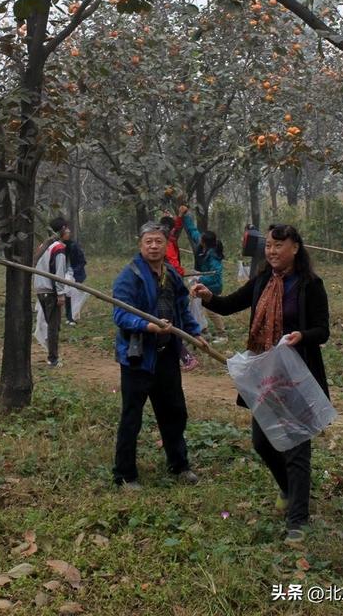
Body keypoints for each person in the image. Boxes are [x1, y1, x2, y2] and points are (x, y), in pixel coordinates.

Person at [196, 223, 330, 546]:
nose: (271, 251)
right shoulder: (262, 281)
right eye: (268, 246)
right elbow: (230, 305)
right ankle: (289, 489)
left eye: (278, 246)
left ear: (295, 248)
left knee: (297, 445)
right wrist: (208, 297)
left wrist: (301, 336)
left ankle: (298, 519)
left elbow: (322, 330)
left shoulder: (310, 284)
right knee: (262, 441)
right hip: (265, 375)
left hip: (296, 374)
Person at [112, 222, 206, 489]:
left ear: (166, 245)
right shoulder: (129, 276)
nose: (153, 246)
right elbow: (120, 315)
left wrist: (193, 332)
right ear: (140, 245)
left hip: (166, 355)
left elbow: (181, 308)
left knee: (174, 412)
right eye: (148, 242)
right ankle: (125, 474)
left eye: (158, 242)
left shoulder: (171, 275)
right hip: (138, 357)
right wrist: (148, 326)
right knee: (132, 416)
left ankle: (179, 465)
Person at [178, 204, 225, 340]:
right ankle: (203, 330)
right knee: (196, 305)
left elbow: (215, 276)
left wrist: (200, 280)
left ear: (205, 242)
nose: (199, 239)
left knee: (211, 309)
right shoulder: (202, 247)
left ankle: (222, 334)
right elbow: (193, 230)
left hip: (213, 286)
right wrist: (185, 215)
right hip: (202, 281)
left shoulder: (213, 256)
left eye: (201, 239)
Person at [160, 212, 199, 372]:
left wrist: (177, 272)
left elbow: (173, 263)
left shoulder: (168, 242)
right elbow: (176, 227)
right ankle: (185, 356)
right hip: (167, 281)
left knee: (170, 321)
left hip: (168, 283)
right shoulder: (169, 238)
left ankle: (186, 357)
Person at [34, 216, 71, 367]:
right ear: (62, 229)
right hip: (51, 291)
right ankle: (53, 358)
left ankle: (52, 355)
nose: (69, 231)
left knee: (50, 324)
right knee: (53, 326)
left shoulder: (43, 245)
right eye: (67, 228)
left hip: (40, 289)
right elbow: (59, 273)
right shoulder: (59, 248)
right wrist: (61, 294)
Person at [64, 237, 87, 326]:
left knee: (75, 295)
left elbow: (82, 261)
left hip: (75, 275)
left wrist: (74, 272)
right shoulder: (58, 247)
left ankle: (74, 316)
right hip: (65, 274)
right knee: (67, 295)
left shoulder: (74, 247)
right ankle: (69, 317)